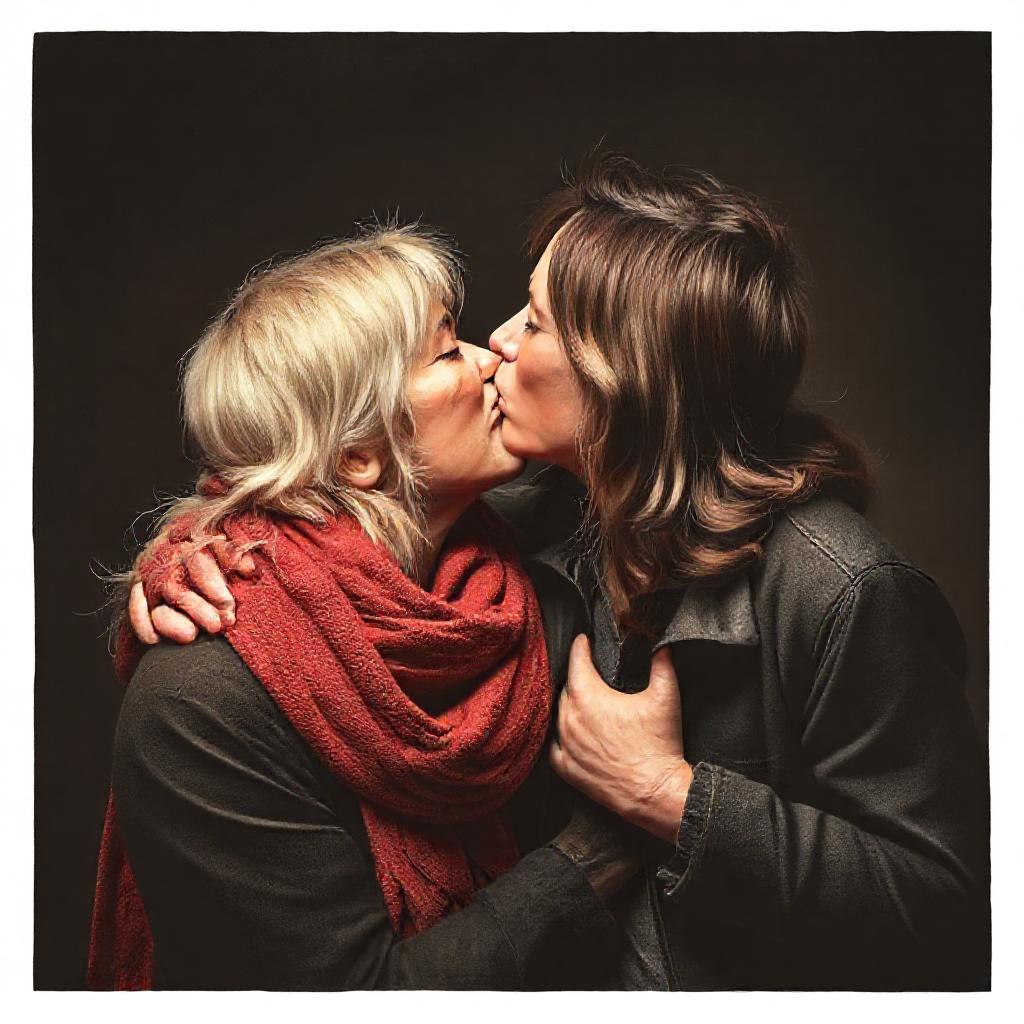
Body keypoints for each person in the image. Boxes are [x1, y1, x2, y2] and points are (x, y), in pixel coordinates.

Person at [132, 154, 990, 990]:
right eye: (458, 344)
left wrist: (671, 799)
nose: (498, 342)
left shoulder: (842, 588)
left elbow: (952, 914)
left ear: (625, 374)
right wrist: (198, 549)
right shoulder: (524, 533)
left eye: (537, 323)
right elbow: (321, 526)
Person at [89, 225, 643, 991]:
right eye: (446, 353)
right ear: (357, 455)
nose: (490, 357)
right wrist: (605, 844)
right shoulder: (201, 702)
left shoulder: (526, 569)